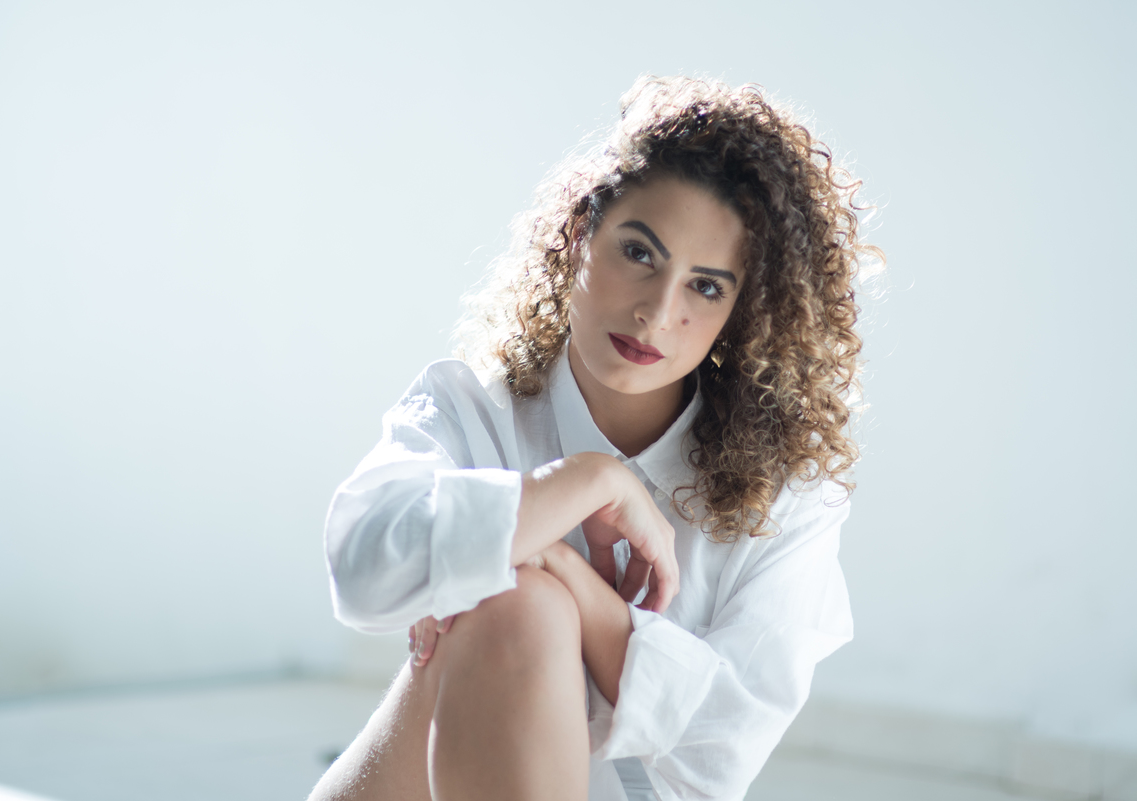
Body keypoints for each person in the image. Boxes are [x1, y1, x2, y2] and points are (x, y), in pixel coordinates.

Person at [309, 75, 881, 801]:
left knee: (525, 594)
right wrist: (583, 480)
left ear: (741, 312)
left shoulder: (789, 495)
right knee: (520, 603)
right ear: (582, 235)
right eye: (639, 253)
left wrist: (560, 571)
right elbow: (361, 571)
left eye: (706, 286)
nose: (657, 312)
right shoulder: (470, 408)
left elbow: (718, 749)